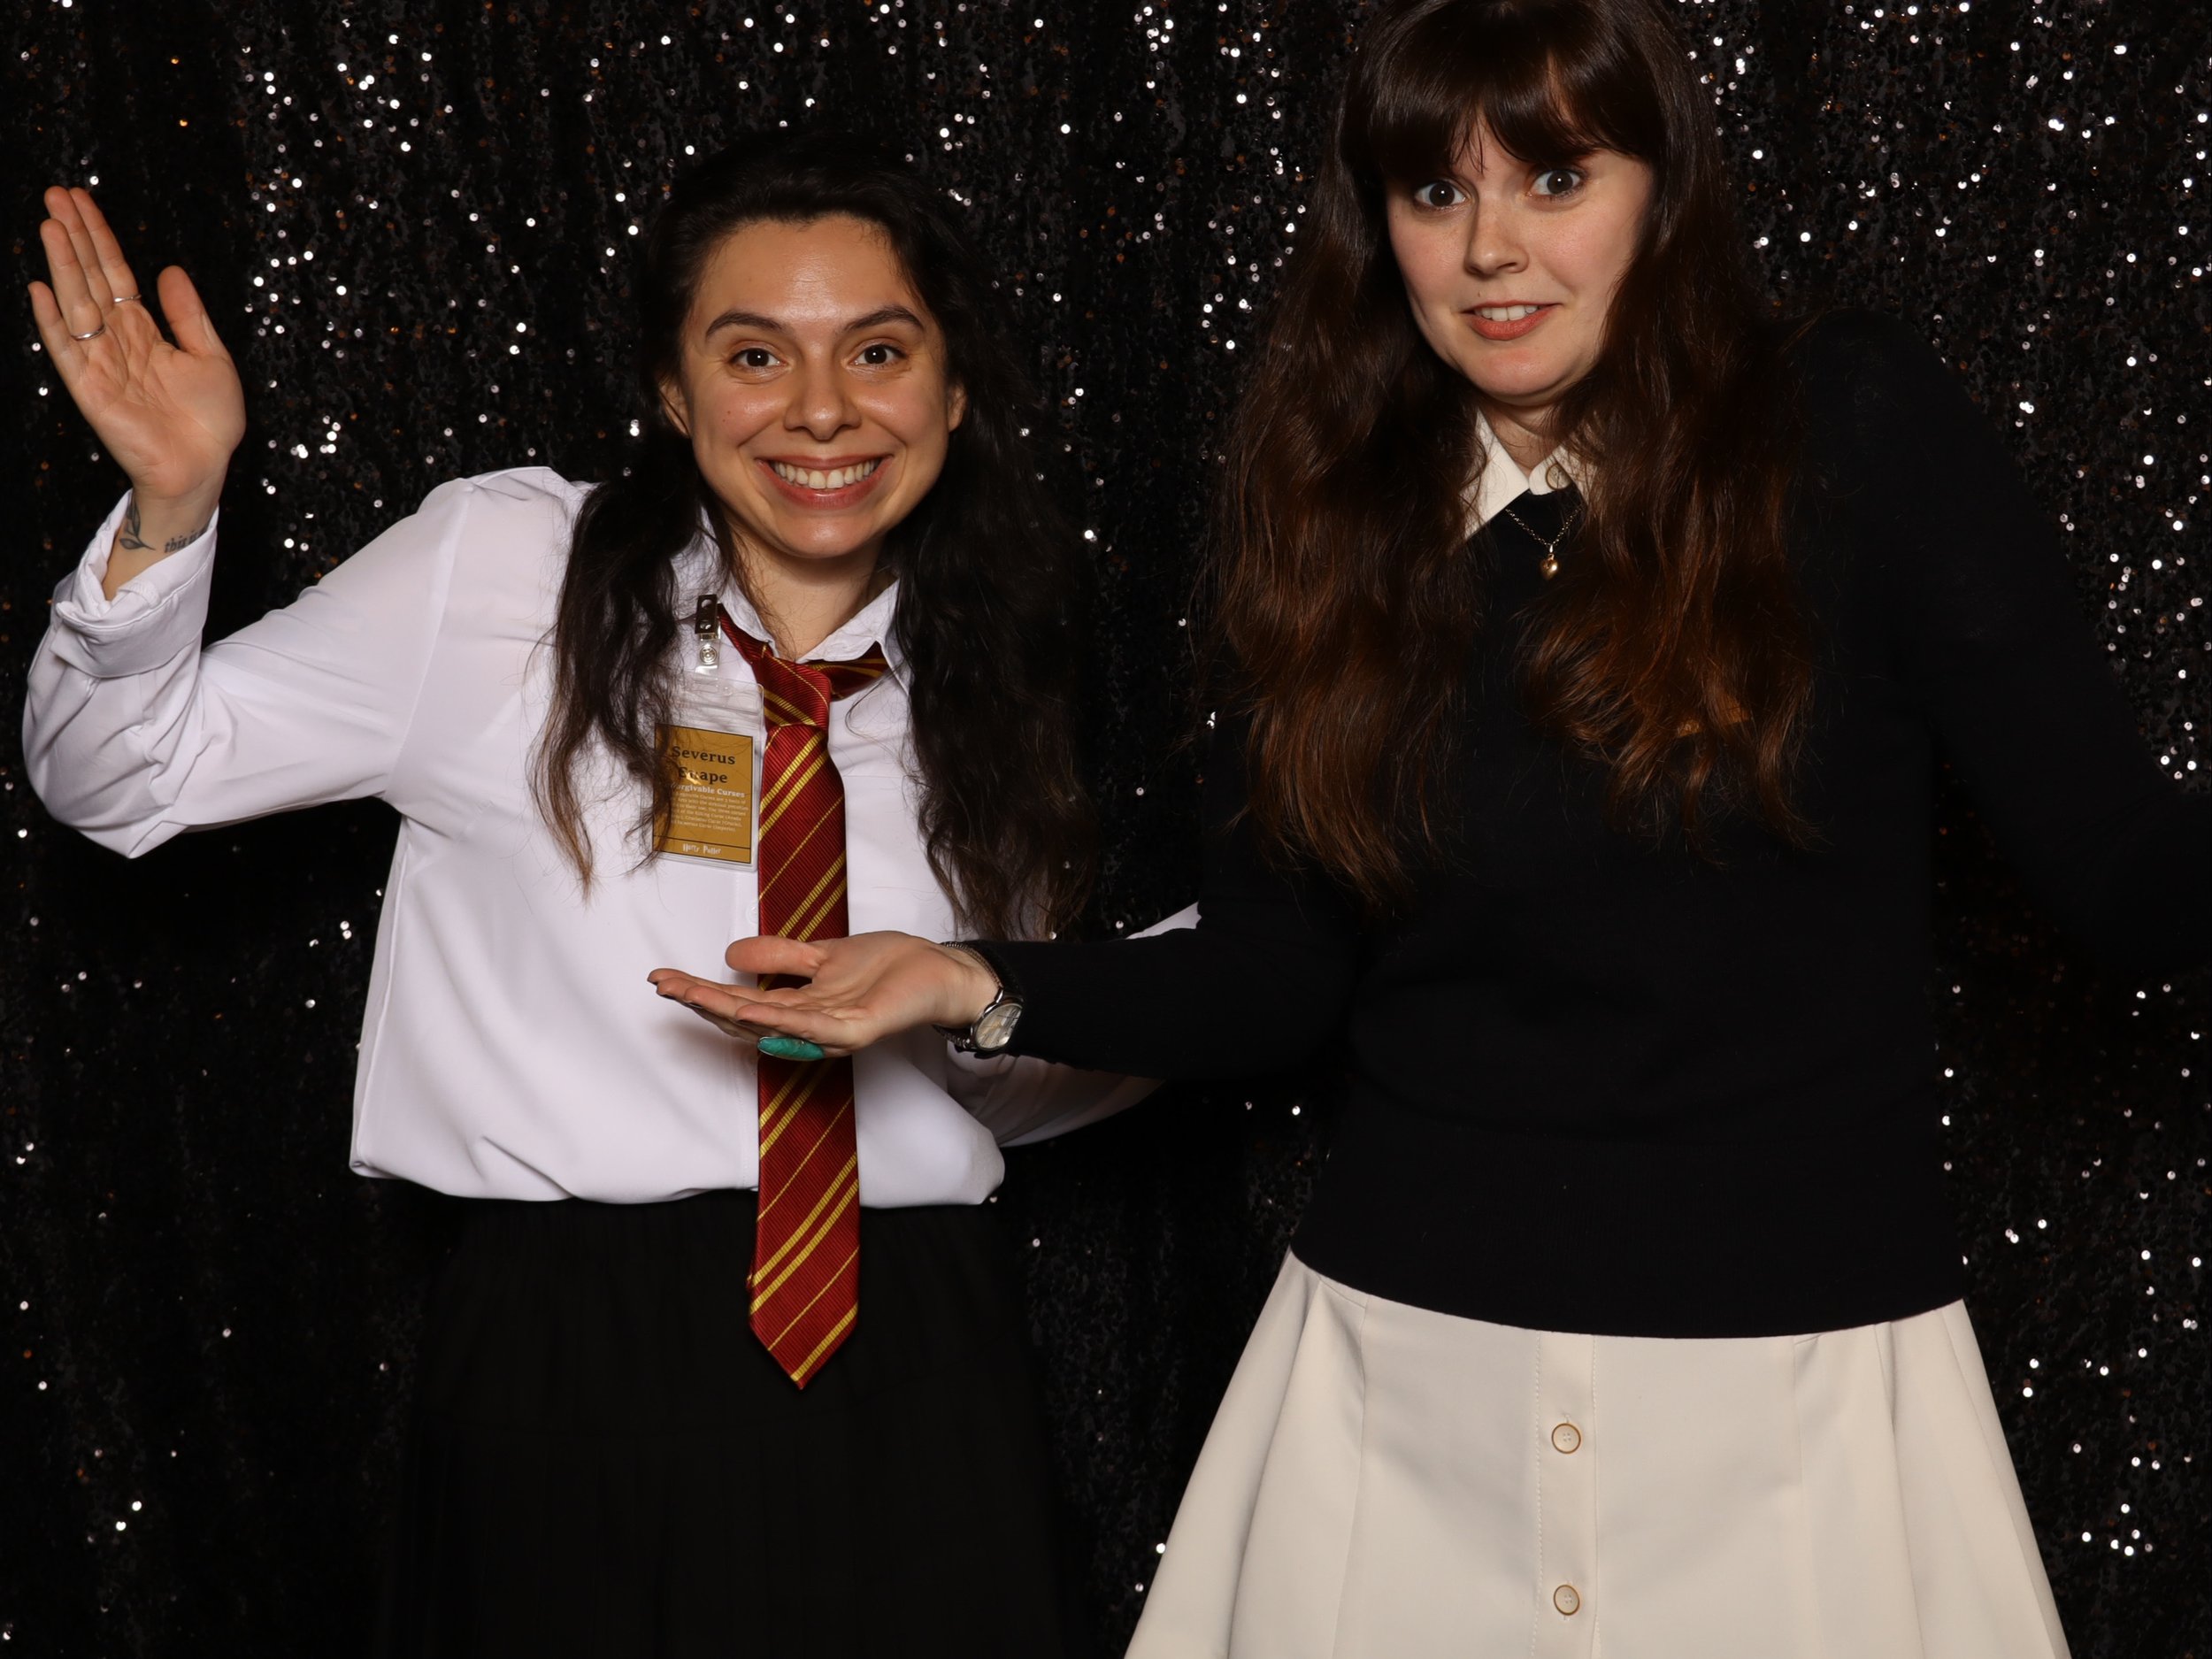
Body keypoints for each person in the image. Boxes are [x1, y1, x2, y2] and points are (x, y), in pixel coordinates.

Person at [648, 3, 2212, 1655]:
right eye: (1433, 193)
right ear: (1376, 225)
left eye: (1554, 175)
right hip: (1401, 1401)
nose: (1491, 250)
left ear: (1659, 190)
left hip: (1796, 1405)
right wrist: (967, 983)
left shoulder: (1848, 428)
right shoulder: (1330, 509)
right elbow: (1277, 976)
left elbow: (2123, 877)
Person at [23, 132, 1164, 1657]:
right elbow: (121, 775)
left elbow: (991, 1080)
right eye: (755, 354)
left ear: (952, 392)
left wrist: (1243, 971)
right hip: (575, 1361)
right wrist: (175, 503)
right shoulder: (504, 571)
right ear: (674, 391)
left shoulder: (988, 670)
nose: (823, 411)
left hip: (925, 1358)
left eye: (879, 351)